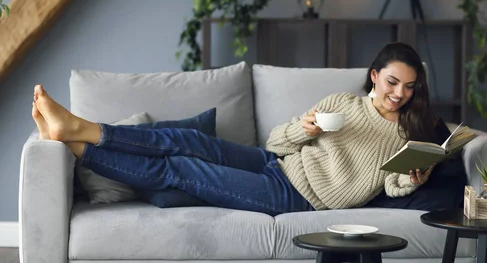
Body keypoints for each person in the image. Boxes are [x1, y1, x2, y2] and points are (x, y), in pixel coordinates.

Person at [31, 42, 444, 216]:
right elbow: (275, 141)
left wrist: (414, 178)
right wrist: (304, 129)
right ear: (374, 76)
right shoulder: (341, 103)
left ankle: (76, 144)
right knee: (188, 140)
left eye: (409, 87)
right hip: (275, 164)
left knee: (180, 168)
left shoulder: (406, 134)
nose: (399, 94)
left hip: (294, 198)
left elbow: (392, 188)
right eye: (392, 82)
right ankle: (80, 128)